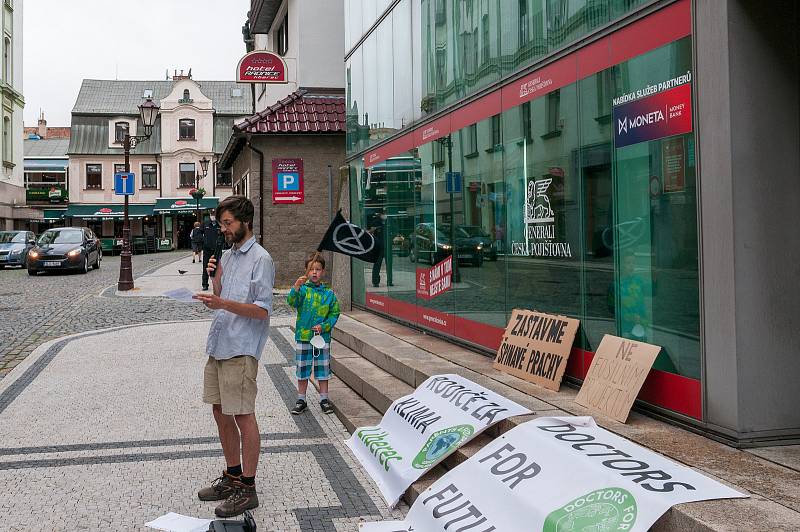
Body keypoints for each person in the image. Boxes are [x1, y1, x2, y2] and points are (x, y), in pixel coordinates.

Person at [193, 196, 274, 518]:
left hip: (242, 347)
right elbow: (222, 295)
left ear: (245, 221)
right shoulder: (227, 255)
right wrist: (214, 281)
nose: (224, 229)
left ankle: (248, 488)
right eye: (221, 224)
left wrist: (222, 304)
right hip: (220, 342)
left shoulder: (261, 259)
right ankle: (232, 475)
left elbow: (262, 310)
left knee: (243, 415)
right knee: (220, 410)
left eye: (228, 223)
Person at [287, 252, 340, 415]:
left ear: (323, 271)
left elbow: (334, 313)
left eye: (318, 269)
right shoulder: (302, 290)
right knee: (303, 368)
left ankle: (324, 398)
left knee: (322, 369)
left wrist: (324, 327)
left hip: (321, 338)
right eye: (311, 269)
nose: (315, 272)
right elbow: (292, 302)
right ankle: (301, 399)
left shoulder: (329, 294)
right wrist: (295, 287)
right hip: (304, 337)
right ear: (306, 271)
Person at [368, 208, 392, 287]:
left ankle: (390, 280)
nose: (384, 215)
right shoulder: (375, 221)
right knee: (377, 264)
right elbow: (370, 233)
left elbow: (394, 230)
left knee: (389, 264)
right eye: (383, 213)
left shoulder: (389, 221)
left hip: (387, 246)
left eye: (385, 212)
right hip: (378, 247)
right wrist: (373, 230)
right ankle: (375, 282)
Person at [201, 214, 221, 291]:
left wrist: (221, 242)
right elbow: (198, 233)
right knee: (206, 267)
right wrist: (204, 241)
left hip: (217, 249)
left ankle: (217, 284)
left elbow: (223, 234)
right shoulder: (205, 223)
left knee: (218, 267)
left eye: (214, 215)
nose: (213, 217)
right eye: (212, 215)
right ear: (209, 216)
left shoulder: (219, 224)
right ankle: (205, 284)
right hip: (207, 250)